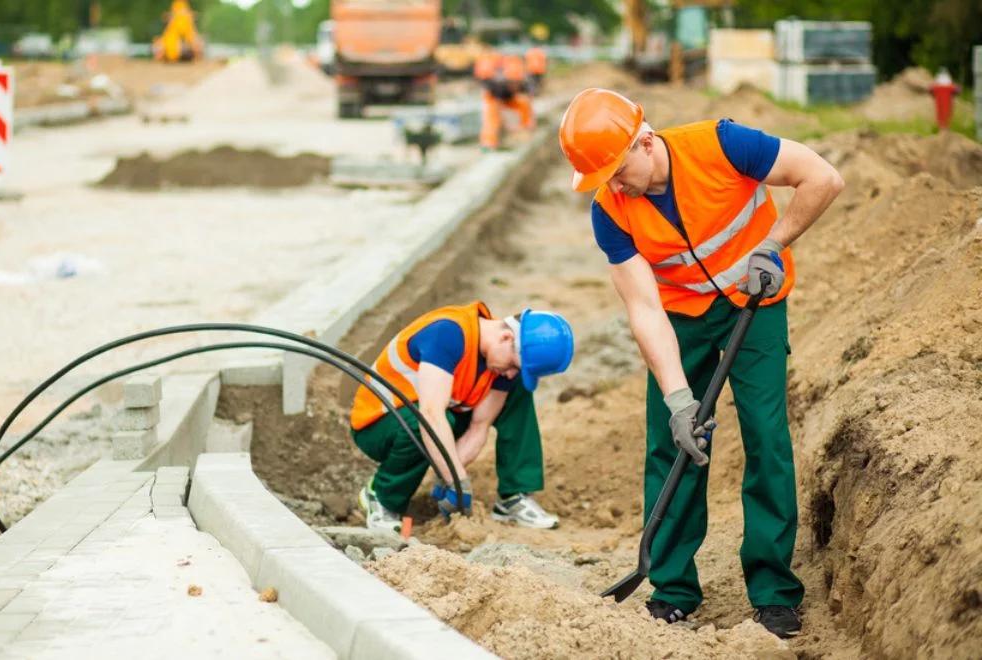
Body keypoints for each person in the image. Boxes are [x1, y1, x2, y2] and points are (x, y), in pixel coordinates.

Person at [558, 88, 844, 638]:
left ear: (645, 141)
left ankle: (774, 590)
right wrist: (678, 400)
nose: (615, 186)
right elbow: (643, 308)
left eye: (618, 171)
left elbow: (823, 178)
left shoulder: (723, 144)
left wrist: (774, 244)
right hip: (682, 314)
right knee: (672, 441)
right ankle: (673, 590)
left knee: (765, 433)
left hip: (754, 298)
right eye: (603, 181)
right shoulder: (610, 212)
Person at [350, 302, 574, 533]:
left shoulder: (501, 358)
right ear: (506, 338)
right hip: (380, 424)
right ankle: (381, 497)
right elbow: (431, 415)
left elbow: (479, 427)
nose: (510, 373)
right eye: (512, 365)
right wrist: (457, 480)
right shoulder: (448, 334)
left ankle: (513, 496)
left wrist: (448, 474)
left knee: (518, 391)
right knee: (422, 421)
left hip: (439, 419)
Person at [474, 52, 534, 151]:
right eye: (512, 83)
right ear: (507, 81)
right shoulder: (499, 86)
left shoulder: (525, 84)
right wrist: (507, 125)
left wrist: (529, 121)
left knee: (524, 102)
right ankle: (488, 143)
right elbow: (498, 107)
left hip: (510, 99)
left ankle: (526, 128)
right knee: (491, 117)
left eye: (516, 83)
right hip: (492, 99)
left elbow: (529, 101)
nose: (514, 86)